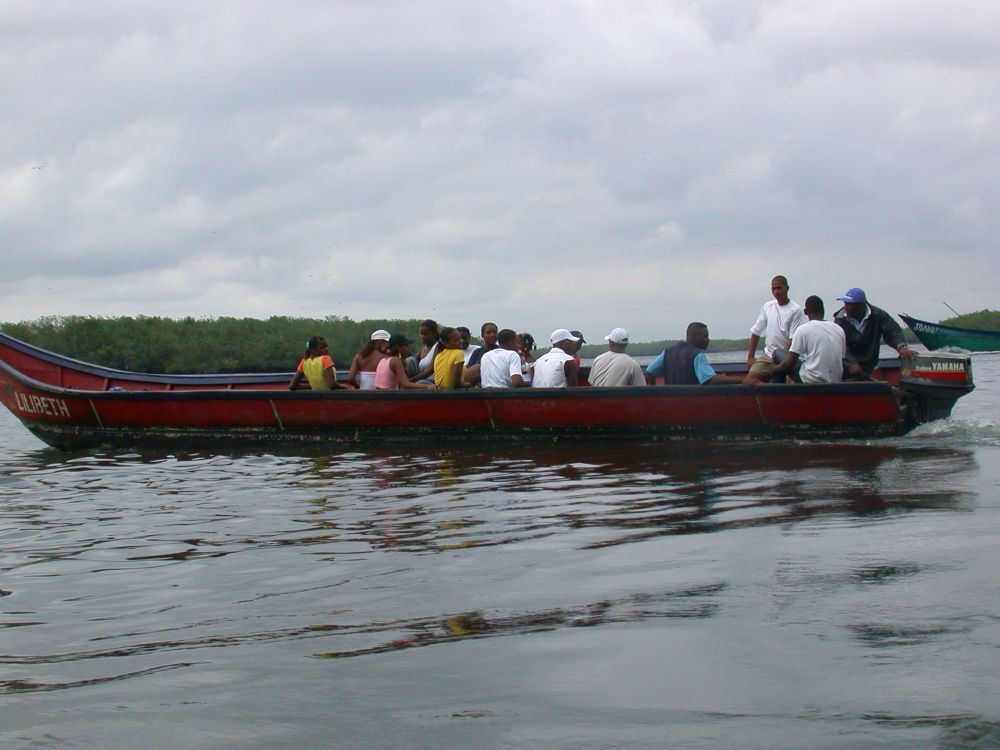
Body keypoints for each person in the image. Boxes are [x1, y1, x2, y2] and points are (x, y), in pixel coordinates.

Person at [833, 287, 916, 376]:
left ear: (861, 305)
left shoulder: (878, 315)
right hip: (846, 369)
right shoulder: (840, 320)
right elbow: (841, 346)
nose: (845, 306)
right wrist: (851, 364)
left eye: (850, 304)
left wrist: (901, 347)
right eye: (845, 303)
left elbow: (892, 331)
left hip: (869, 366)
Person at [646, 323, 757, 385]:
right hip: (691, 405)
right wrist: (743, 379)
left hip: (672, 404)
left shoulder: (667, 352)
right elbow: (711, 379)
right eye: (705, 336)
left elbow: (649, 372)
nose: (708, 340)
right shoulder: (697, 355)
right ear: (693, 337)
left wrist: (654, 393)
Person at [770, 296, 847, 384]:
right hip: (834, 380)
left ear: (805, 312)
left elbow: (789, 363)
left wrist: (773, 370)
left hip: (810, 380)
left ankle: (779, 393)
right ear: (823, 311)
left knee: (777, 353)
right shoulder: (839, 329)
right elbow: (842, 359)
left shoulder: (803, 329)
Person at [746, 275, 806, 382]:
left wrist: (780, 362)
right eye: (773, 289)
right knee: (751, 378)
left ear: (787, 288)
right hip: (768, 354)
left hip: (787, 356)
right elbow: (756, 331)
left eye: (779, 288)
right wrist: (751, 357)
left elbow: (792, 340)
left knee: (787, 380)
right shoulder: (767, 307)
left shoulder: (795, 310)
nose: (776, 292)